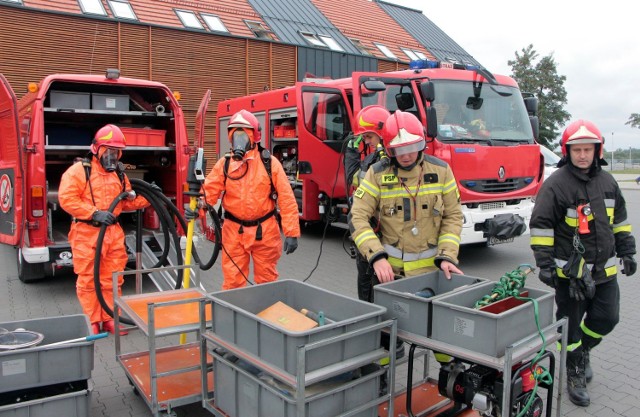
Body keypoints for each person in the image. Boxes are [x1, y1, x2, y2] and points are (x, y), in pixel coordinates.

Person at [529, 119, 636, 407]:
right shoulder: (556, 185)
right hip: (571, 276)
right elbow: (540, 226)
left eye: (588, 149)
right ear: (568, 151)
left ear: (597, 150)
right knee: (571, 327)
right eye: (577, 150)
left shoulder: (609, 182)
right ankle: (574, 370)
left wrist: (627, 251)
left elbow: (621, 222)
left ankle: (583, 351)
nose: (583, 155)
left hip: (604, 274)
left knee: (608, 318)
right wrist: (546, 266)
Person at [349, 110, 464, 282]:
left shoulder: (441, 171)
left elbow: (453, 216)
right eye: (398, 150)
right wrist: (377, 257)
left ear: (422, 144)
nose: (406, 156)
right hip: (392, 276)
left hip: (433, 274)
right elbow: (357, 217)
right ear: (387, 148)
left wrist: (447, 256)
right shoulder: (377, 173)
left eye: (412, 148)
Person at [59, 124, 151, 335]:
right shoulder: (79, 171)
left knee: (113, 278)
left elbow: (126, 201)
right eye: (107, 150)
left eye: (115, 152)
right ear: (96, 149)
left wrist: (148, 196)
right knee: (88, 279)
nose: (111, 156)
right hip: (86, 233)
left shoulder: (119, 175)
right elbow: (67, 199)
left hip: (112, 233)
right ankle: (92, 321)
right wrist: (93, 213)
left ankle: (110, 318)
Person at [197, 109, 300, 290]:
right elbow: (208, 192)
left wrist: (291, 233)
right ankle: (235, 316)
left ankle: (264, 315)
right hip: (233, 232)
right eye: (235, 134)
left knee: (266, 281)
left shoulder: (269, 163)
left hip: (265, 232)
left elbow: (286, 198)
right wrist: (198, 208)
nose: (239, 139)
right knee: (233, 283)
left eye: (243, 134)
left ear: (254, 136)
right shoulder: (225, 164)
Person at [344, 105, 390, 302]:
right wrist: (352, 153)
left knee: (379, 284)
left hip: (384, 233)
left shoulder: (395, 158)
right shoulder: (373, 158)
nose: (366, 141)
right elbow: (354, 179)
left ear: (381, 133)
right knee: (364, 278)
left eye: (369, 137)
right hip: (367, 229)